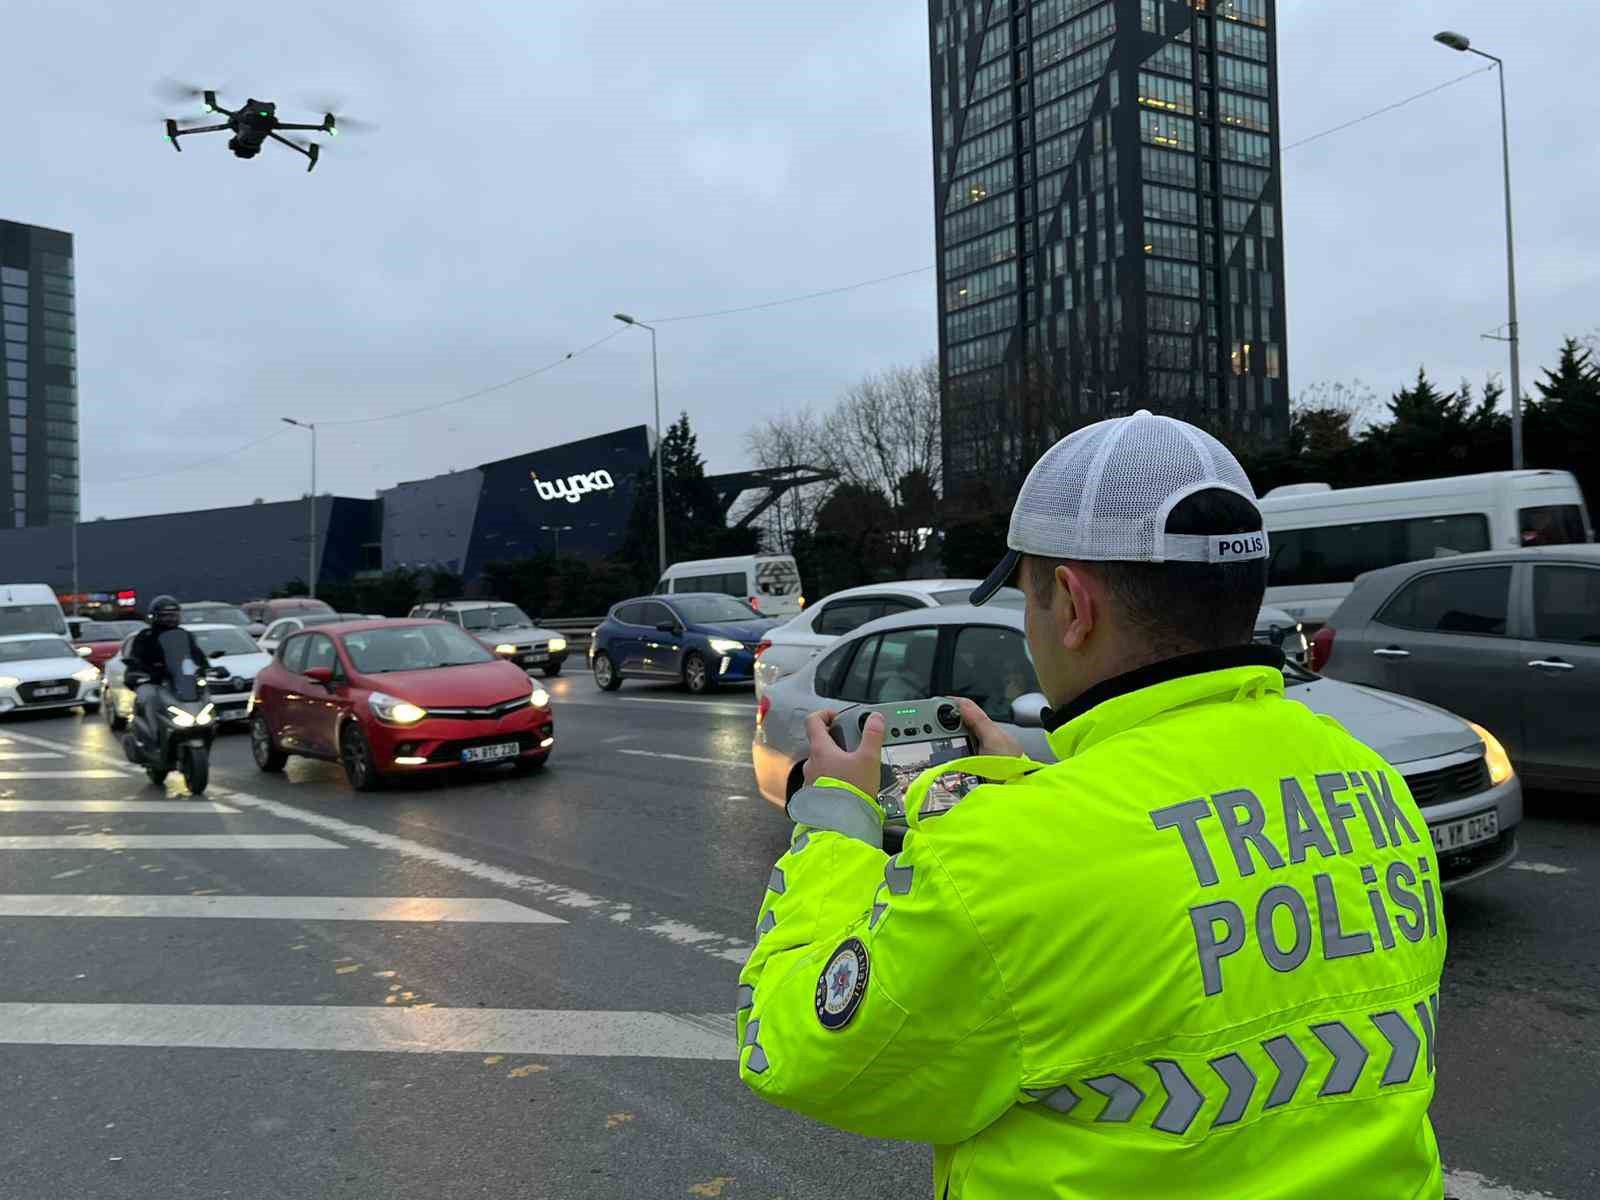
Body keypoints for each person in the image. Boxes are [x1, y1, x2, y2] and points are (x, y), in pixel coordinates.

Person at [736, 412, 1446, 1199]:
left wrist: (836, 819)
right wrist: (1045, 795)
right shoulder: (1367, 780)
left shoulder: (1011, 858)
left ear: (1073, 605)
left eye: (1028, 597)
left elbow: (792, 1050)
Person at [124, 595, 211, 746]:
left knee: (205, 694)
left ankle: (207, 728)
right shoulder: (145, 637)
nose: (171, 619)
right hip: (154, 681)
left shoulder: (185, 635)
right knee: (148, 697)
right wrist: (142, 671)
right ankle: (152, 737)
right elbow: (135, 659)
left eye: (174, 615)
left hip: (180, 681)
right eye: (166, 616)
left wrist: (207, 668)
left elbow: (196, 655)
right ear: (154, 617)